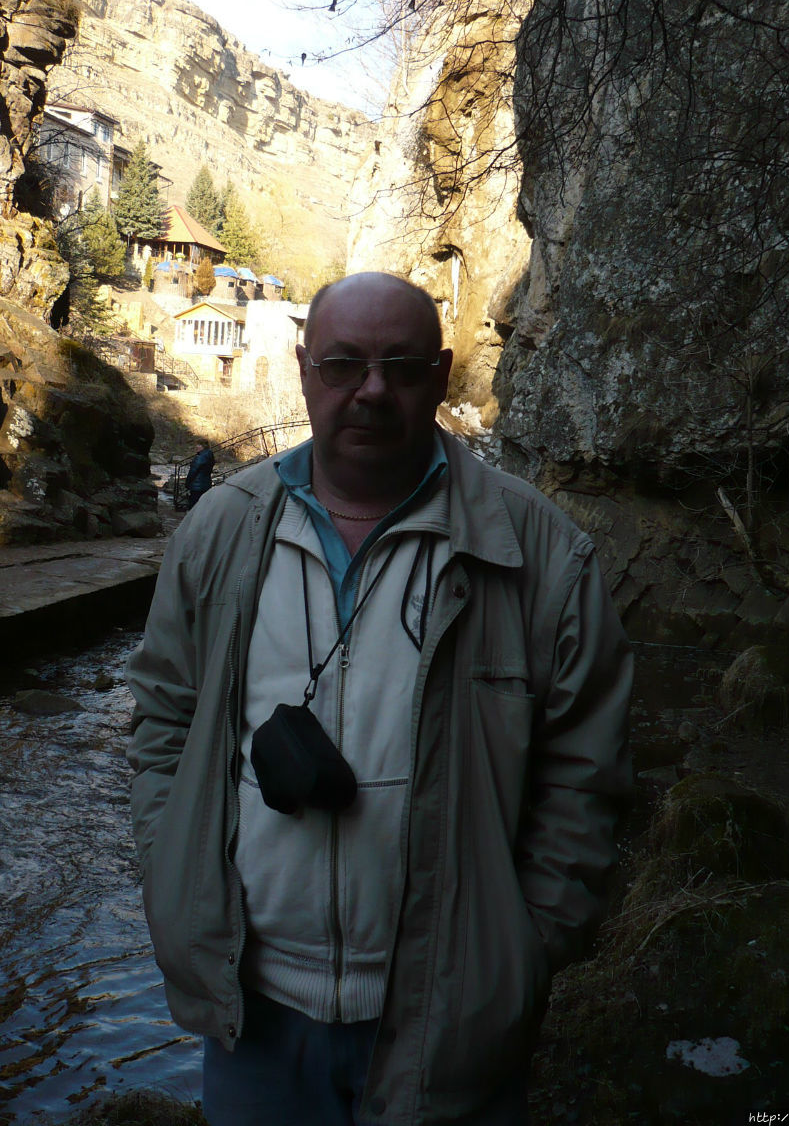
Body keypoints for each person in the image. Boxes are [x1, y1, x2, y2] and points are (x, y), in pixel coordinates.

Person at [126, 272, 633, 1126]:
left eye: (399, 366)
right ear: (303, 370)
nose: (371, 389)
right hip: (250, 1011)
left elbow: (585, 778)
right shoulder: (220, 531)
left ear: (439, 377)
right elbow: (163, 722)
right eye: (344, 363)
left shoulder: (540, 554)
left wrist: (524, 953)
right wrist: (170, 877)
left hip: (452, 1017)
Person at [184, 439, 215, 508]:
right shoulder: (209, 455)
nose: (196, 446)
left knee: (193, 507)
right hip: (206, 484)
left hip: (197, 487)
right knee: (202, 507)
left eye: (199, 445)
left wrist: (187, 483)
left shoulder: (200, 457)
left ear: (204, 446)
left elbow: (193, 472)